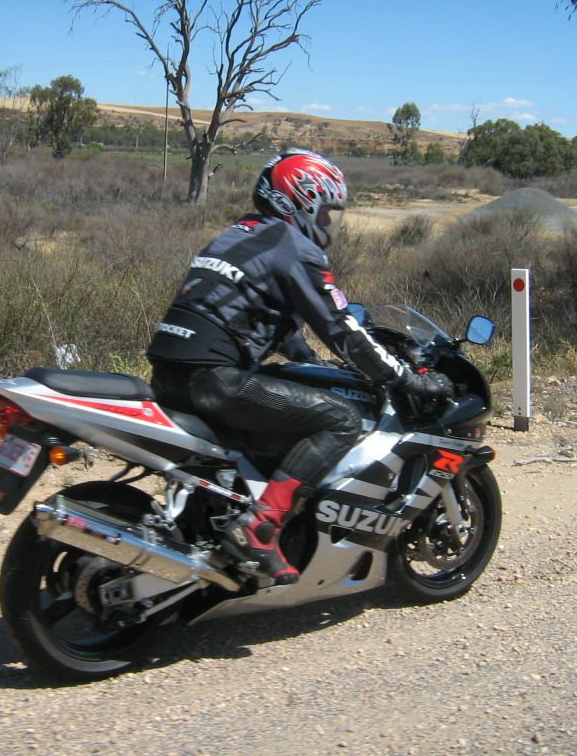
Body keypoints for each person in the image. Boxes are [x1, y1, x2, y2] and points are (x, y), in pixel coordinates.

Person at [147, 149, 451, 585]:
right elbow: (342, 328)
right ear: (300, 201)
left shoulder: (240, 235)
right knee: (340, 418)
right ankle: (261, 526)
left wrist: (307, 358)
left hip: (172, 374)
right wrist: (406, 378)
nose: (329, 222)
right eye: (326, 212)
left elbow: (256, 313)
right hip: (212, 379)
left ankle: (219, 518)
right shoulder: (294, 247)